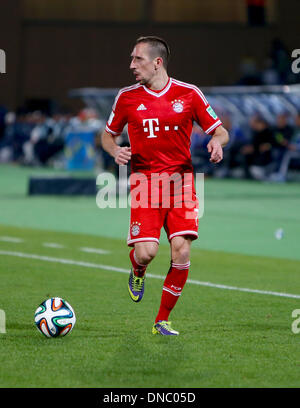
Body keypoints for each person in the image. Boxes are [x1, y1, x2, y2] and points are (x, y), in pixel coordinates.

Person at [101, 36, 229, 336]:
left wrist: (216, 141)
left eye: (138, 59)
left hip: (181, 183)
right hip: (145, 184)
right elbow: (107, 135)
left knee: (181, 252)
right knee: (146, 253)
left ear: (157, 62)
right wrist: (114, 150)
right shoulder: (127, 97)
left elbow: (221, 131)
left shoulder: (189, 94)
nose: (132, 65)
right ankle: (138, 271)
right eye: (132, 59)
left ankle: (162, 320)